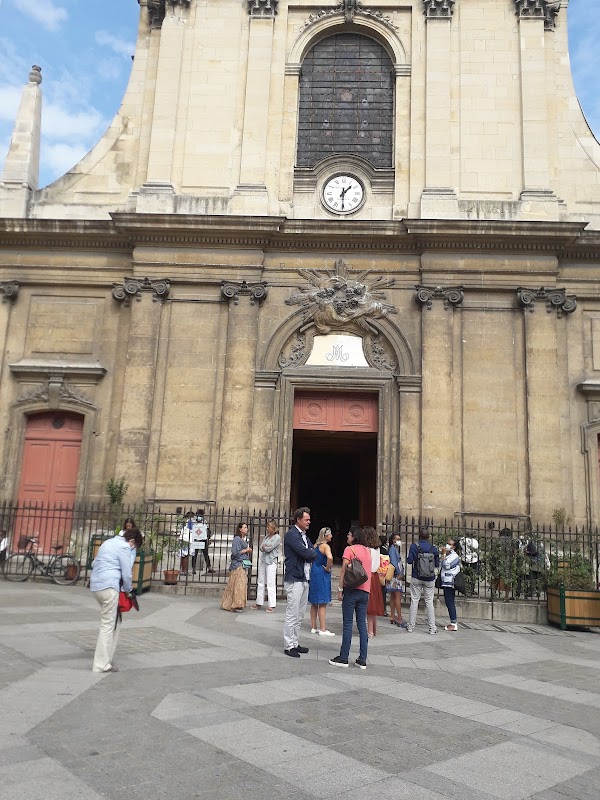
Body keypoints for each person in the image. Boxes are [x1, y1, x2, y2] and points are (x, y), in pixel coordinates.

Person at [90, 527, 143, 673]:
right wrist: (128, 590)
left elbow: (94, 563)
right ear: (131, 540)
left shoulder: (108, 543)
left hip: (96, 586)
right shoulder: (124, 547)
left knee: (112, 621)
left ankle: (106, 659)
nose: (133, 549)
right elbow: (127, 573)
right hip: (110, 587)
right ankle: (101, 664)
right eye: (134, 546)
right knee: (108, 625)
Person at [329, 527, 372, 669]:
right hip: (365, 591)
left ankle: (344, 657)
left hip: (352, 590)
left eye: (349, 534)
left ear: (354, 537)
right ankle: (362, 659)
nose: (347, 536)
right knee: (362, 625)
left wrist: (340, 589)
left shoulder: (349, 550)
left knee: (347, 623)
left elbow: (343, 571)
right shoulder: (368, 551)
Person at [283, 506, 316, 657]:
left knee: (300, 614)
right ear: (298, 519)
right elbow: (305, 552)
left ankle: (295, 642)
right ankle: (288, 645)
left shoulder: (304, 536)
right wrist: (309, 553)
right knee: (292, 613)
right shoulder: (291, 535)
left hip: (304, 577)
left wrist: (310, 553)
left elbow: (312, 551)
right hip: (294, 578)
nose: (309, 522)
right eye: (306, 519)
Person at [406, 526, 439, 634]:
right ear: (428, 537)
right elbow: (437, 564)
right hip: (430, 578)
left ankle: (411, 626)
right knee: (429, 602)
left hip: (417, 576)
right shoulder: (433, 548)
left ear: (419, 536)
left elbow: (409, 561)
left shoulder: (414, 546)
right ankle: (432, 627)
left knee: (414, 601)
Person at [308, 527, 335, 636]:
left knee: (314, 602)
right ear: (325, 535)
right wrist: (328, 568)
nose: (331, 536)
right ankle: (322, 629)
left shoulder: (315, 546)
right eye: (330, 534)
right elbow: (330, 557)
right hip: (322, 573)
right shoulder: (325, 546)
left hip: (314, 571)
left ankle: (313, 627)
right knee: (322, 602)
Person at [220, 522, 252, 612]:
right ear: (240, 529)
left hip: (242, 564)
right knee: (239, 585)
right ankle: (236, 604)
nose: (246, 529)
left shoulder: (242, 539)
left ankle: (234, 603)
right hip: (238, 564)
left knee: (238, 584)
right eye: (244, 527)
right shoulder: (237, 539)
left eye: (246, 527)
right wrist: (246, 550)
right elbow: (235, 553)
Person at [252, 520, 281, 611]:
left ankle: (272, 604)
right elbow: (261, 547)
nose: (267, 528)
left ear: (273, 528)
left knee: (270, 583)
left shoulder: (277, 537)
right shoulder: (266, 537)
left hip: (271, 561)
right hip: (264, 560)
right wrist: (265, 547)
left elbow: (269, 548)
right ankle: (259, 602)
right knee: (260, 581)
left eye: (269, 527)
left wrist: (265, 547)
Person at [365, 526, 384, 637]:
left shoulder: (368, 550)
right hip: (375, 575)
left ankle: (370, 631)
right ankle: (374, 629)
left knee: (370, 605)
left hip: (369, 576)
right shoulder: (377, 549)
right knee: (374, 604)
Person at [439, 537, 461, 631]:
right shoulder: (448, 555)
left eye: (450, 544)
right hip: (446, 581)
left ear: (454, 547)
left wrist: (444, 554)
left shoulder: (454, 556)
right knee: (448, 602)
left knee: (450, 602)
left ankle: (453, 623)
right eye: (447, 543)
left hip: (450, 582)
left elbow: (446, 565)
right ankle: (453, 622)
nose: (447, 545)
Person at [190, 509, 215, 575]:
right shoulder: (194, 522)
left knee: (205, 554)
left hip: (203, 540)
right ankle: (193, 569)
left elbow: (208, 530)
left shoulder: (204, 522)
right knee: (194, 554)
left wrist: (208, 537)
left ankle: (209, 568)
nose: (200, 516)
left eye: (201, 515)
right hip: (196, 539)